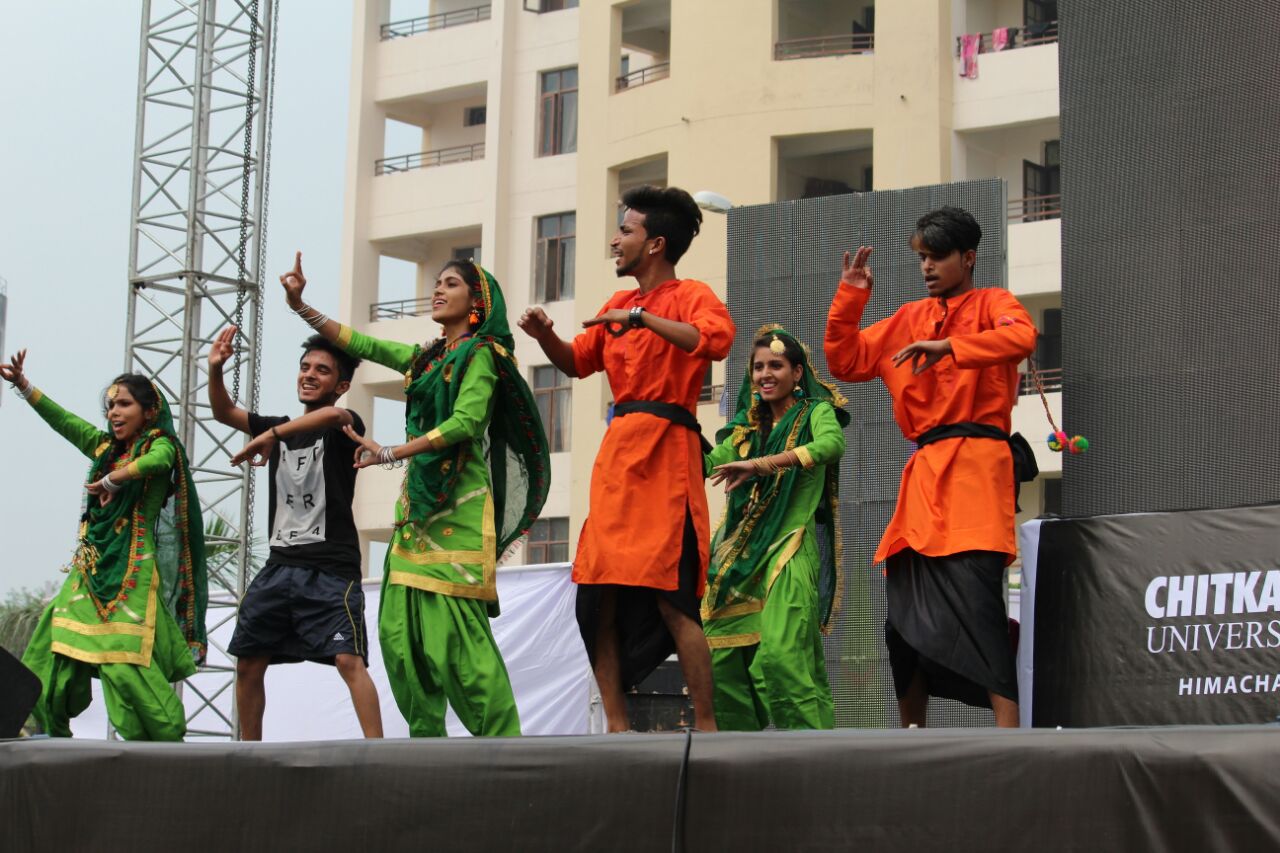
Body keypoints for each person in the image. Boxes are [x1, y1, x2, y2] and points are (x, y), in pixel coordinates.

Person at [281, 253, 549, 737]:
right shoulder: (427, 358)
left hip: (459, 510)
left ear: (477, 302)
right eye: (437, 282)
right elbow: (363, 343)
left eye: (451, 283)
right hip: (417, 512)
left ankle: (503, 745)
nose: (437, 290)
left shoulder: (482, 355)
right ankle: (427, 747)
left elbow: (466, 423)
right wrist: (302, 307)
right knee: (400, 640)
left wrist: (391, 452)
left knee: (457, 645)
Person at [519, 185, 734, 732]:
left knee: (673, 598)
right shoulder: (615, 304)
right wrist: (545, 337)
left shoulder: (691, 295)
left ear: (655, 243)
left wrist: (642, 319)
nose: (615, 241)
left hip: (668, 455)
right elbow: (577, 361)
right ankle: (617, 726)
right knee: (597, 598)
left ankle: (707, 725)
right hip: (618, 460)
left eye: (625, 230)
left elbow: (714, 341)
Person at [823, 206, 1037, 728]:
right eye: (922, 257)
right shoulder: (906, 319)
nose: (927, 266)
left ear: (969, 258)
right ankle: (910, 737)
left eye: (937, 256)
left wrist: (951, 347)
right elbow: (845, 361)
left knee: (980, 609)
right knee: (903, 622)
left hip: (979, 471)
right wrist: (851, 297)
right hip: (924, 483)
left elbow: (1022, 338)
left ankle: (1011, 738)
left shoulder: (994, 303)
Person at [1, 352, 206, 740]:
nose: (114, 412)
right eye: (111, 405)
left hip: (132, 572)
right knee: (54, 645)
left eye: (124, 404)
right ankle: (47, 734)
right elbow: (66, 422)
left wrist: (115, 479)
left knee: (124, 662)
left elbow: (159, 462)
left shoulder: (160, 445)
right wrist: (24, 387)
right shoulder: (104, 449)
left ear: (149, 412)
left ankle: (164, 744)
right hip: (90, 570)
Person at [208, 325, 383, 740]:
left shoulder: (344, 426)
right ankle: (250, 754)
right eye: (305, 367)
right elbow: (223, 412)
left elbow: (334, 415)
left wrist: (268, 436)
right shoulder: (279, 426)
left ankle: (378, 753)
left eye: (322, 370)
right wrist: (215, 369)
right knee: (248, 660)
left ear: (341, 385)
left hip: (331, 570)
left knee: (348, 659)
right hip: (279, 567)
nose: (309, 374)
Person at [703, 326, 848, 731]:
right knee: (720, 655)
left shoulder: (815, 413)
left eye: (776, 366)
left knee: (782, 654)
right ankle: (739, 751)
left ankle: (809, 751)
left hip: (790, 544)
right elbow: (711, 462)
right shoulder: (748, 429)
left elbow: (831, 445)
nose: (765, 374)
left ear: (797, 373)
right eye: (758, 367)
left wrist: (761, 465)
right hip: (741, 554)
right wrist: (674, 431)